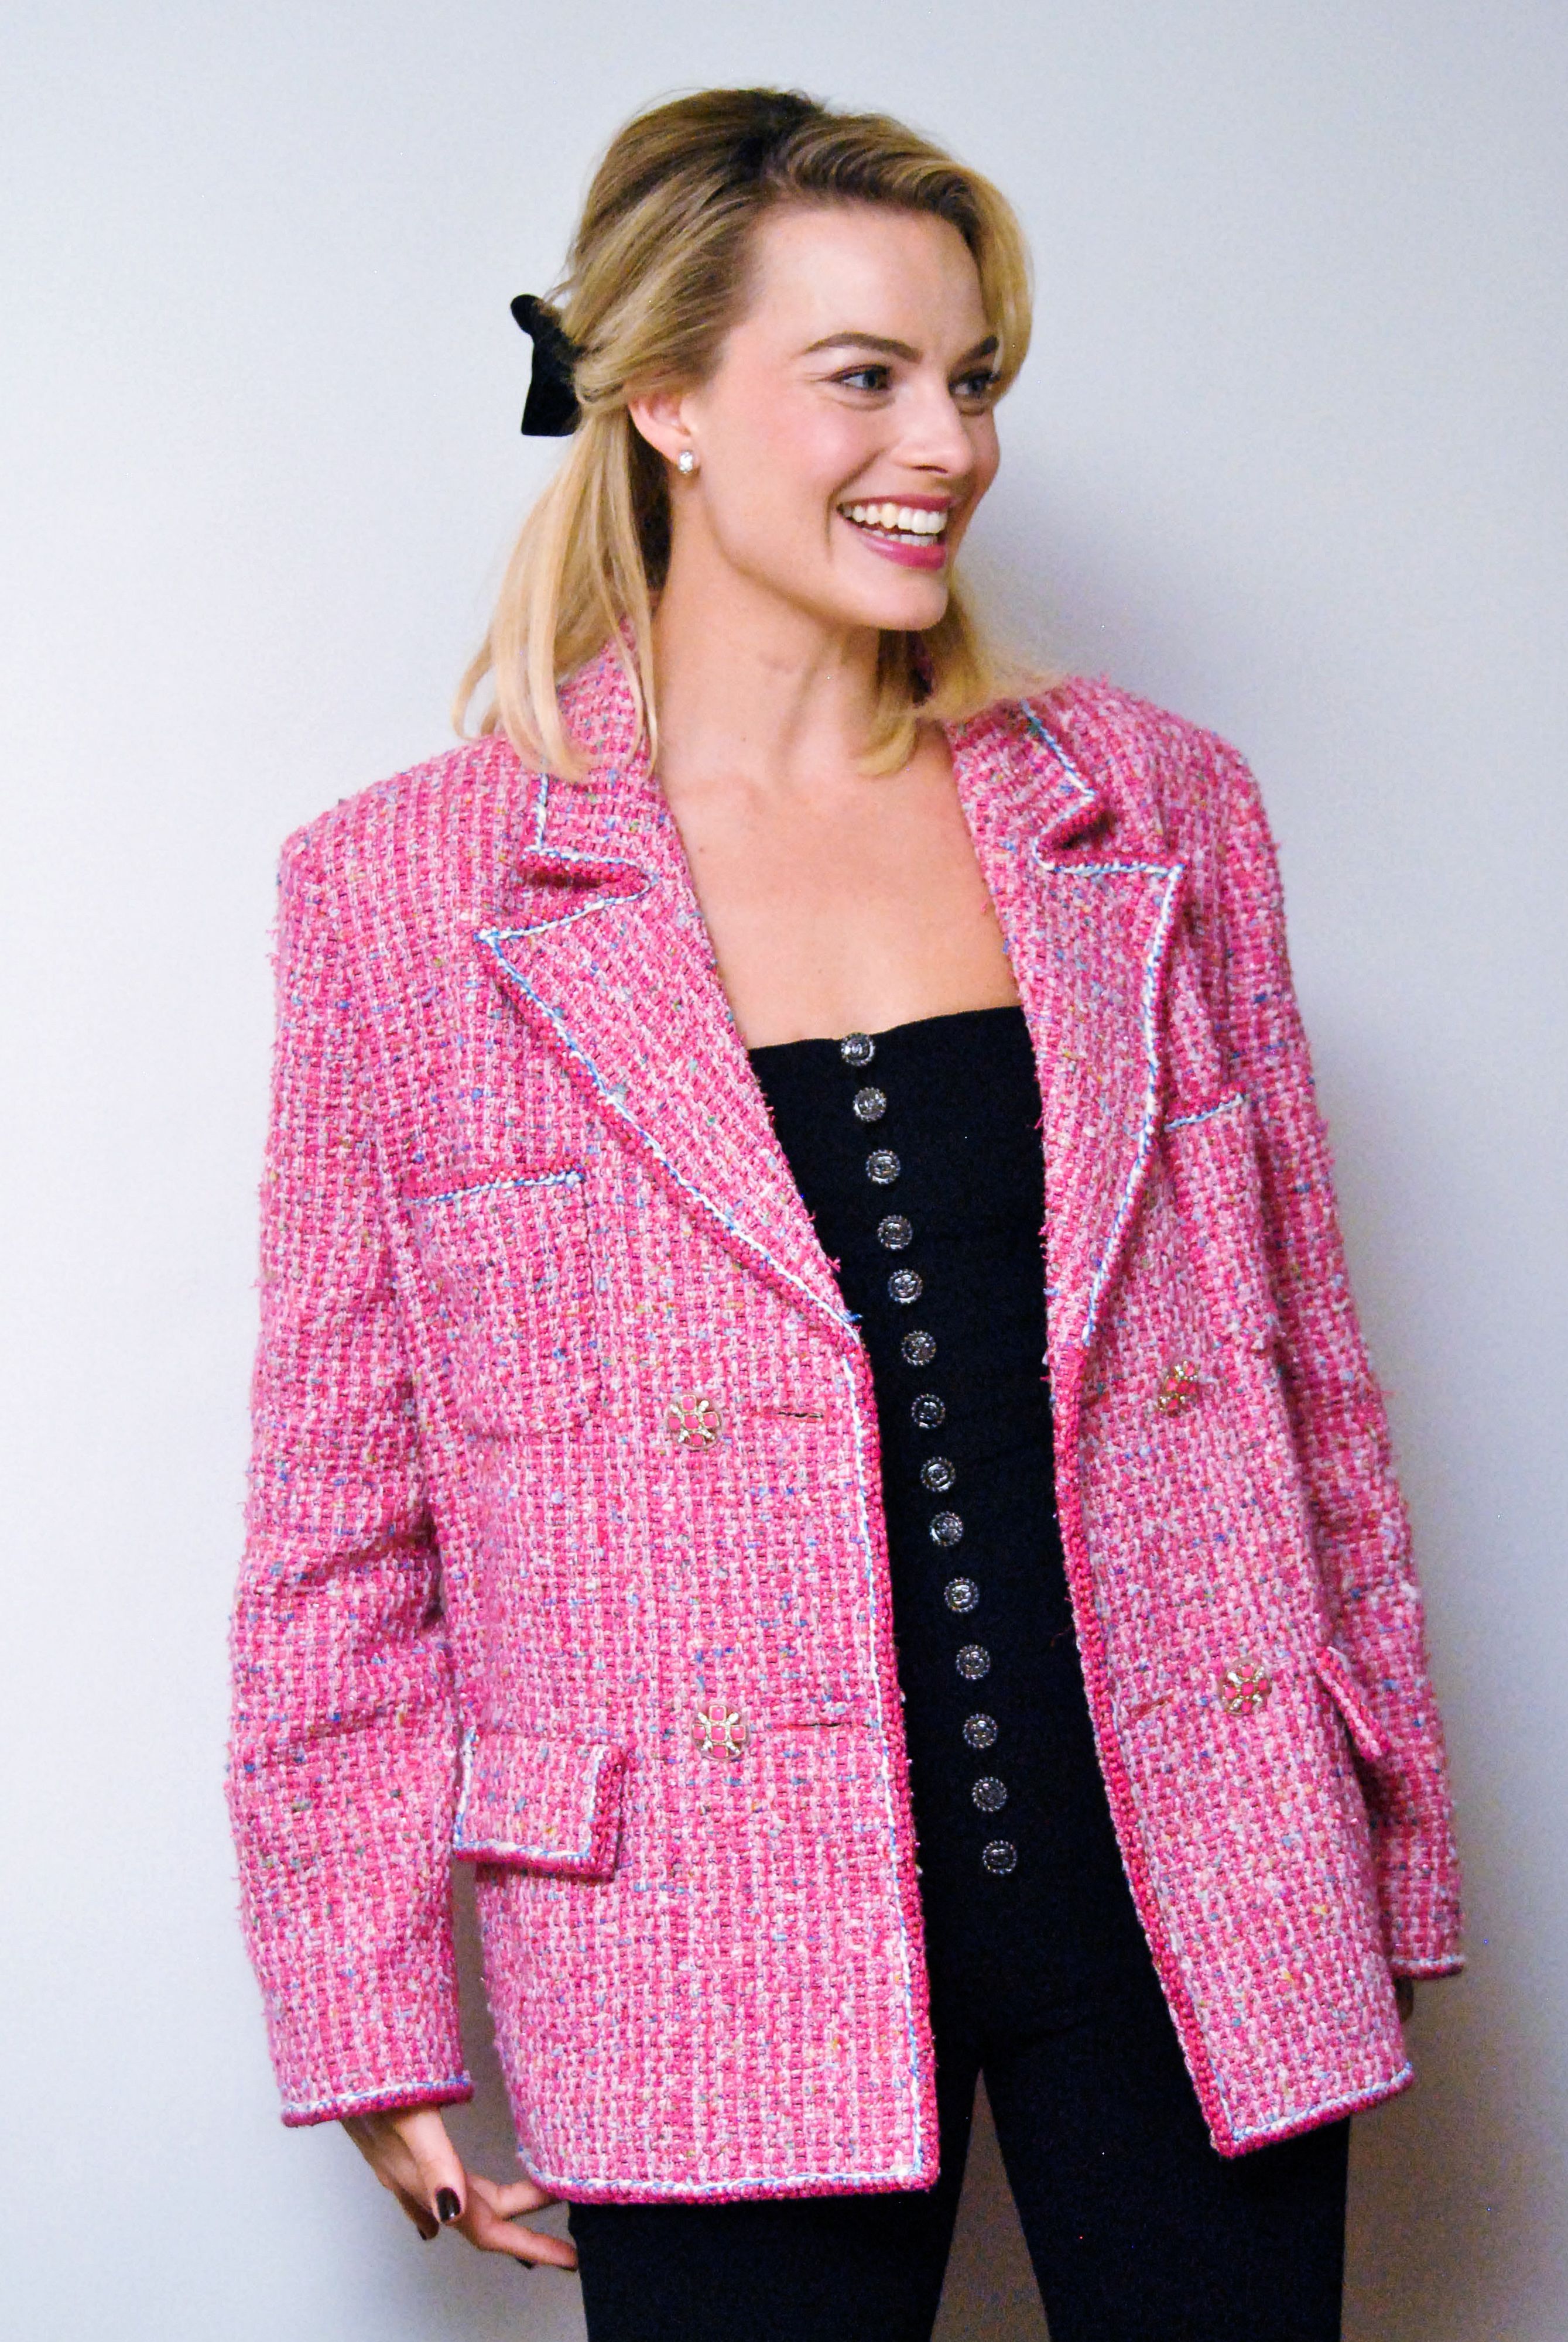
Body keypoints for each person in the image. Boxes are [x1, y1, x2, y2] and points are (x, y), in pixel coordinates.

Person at [227, 85, 1463, 2342]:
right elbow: (342, 1513)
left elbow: (1314, 1383)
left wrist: (1391, 1835)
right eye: (867, 376)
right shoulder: (412, 891)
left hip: (1203, 1880)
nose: (948, 445)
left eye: (972, 378)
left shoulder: (1155, 810)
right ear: (668, 400)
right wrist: (361, 1996)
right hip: (695, 1924)